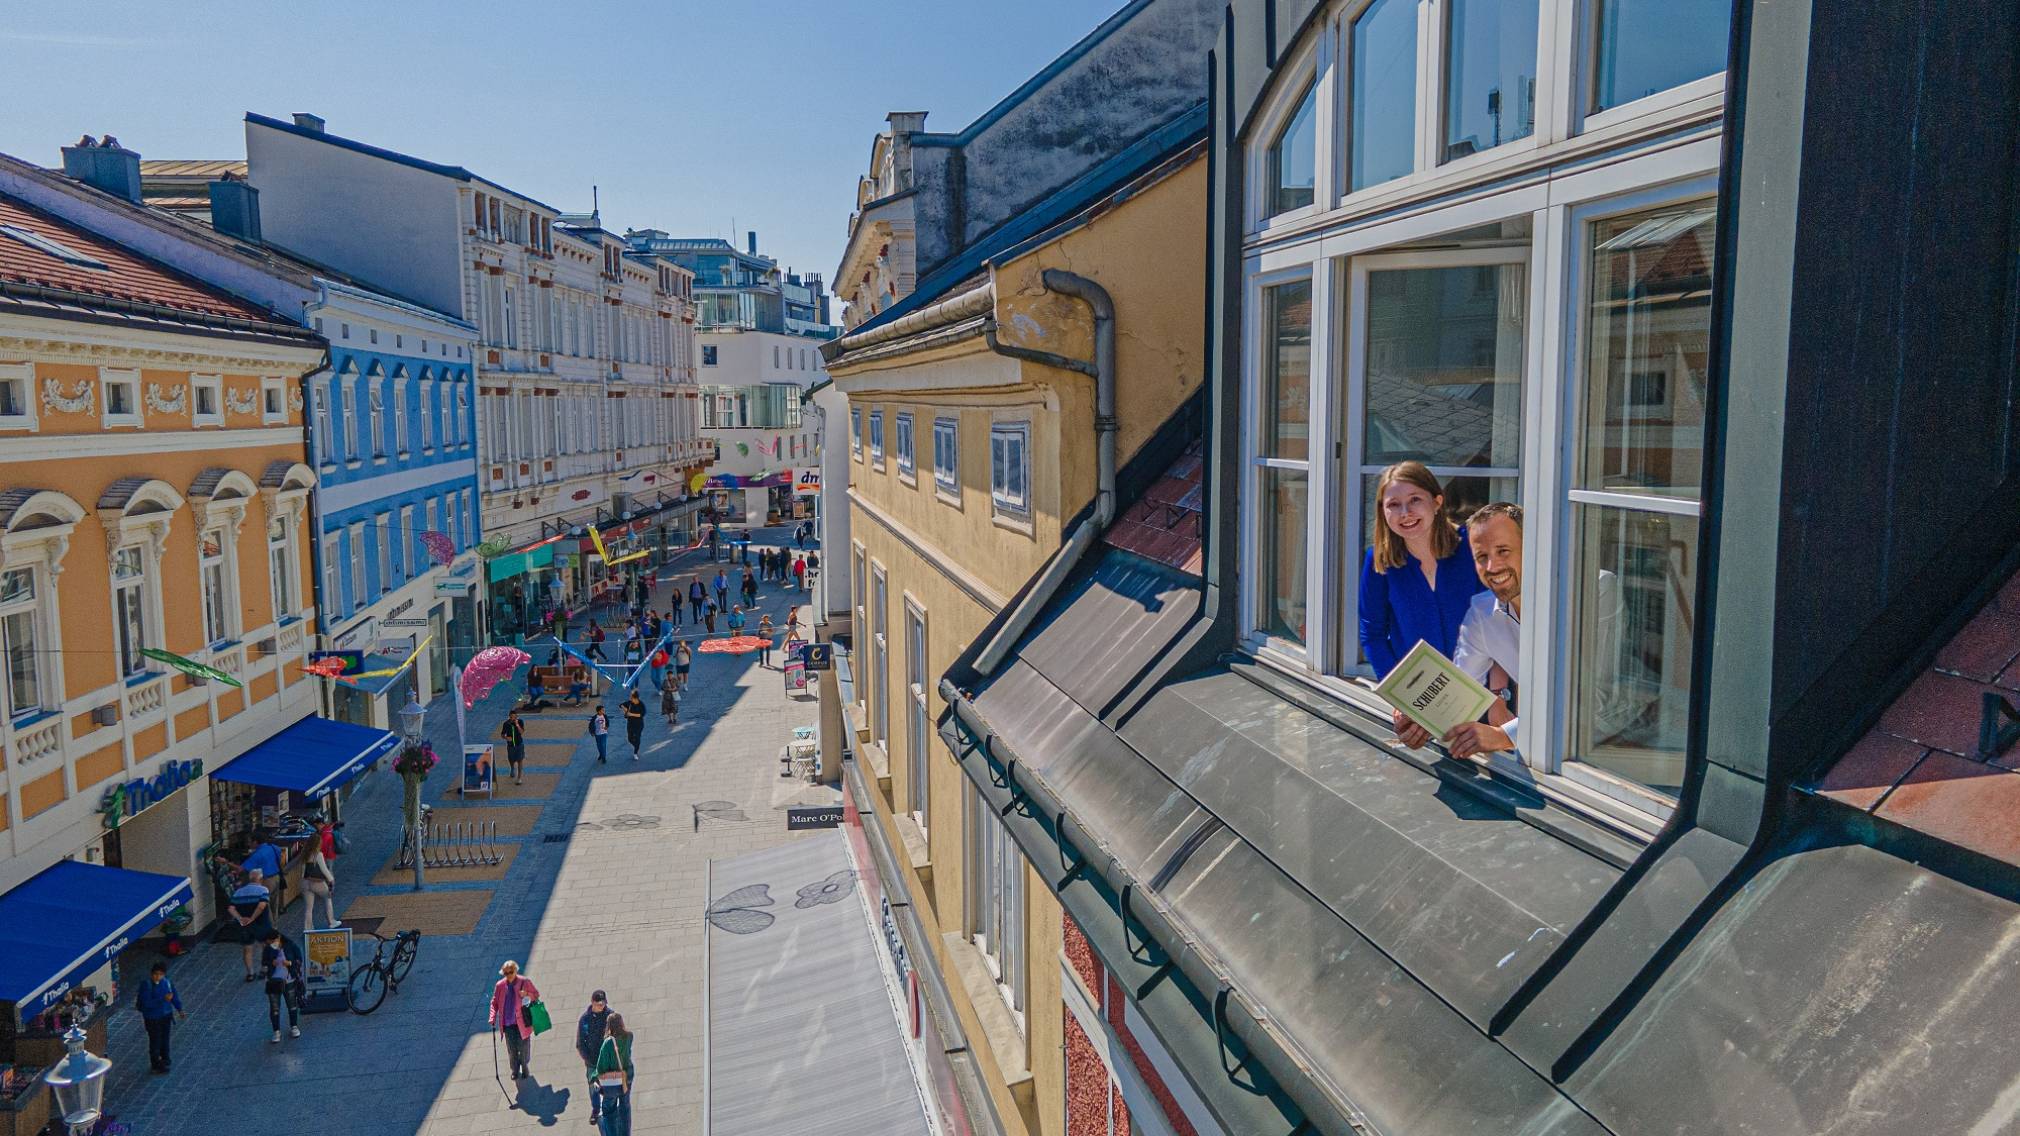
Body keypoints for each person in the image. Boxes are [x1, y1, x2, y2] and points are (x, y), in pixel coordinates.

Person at [1393, 502, 1522, 759]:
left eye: (1503, 551)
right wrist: (1424, 720)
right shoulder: (1482, 612)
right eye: (1481, 557)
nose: (1492, 567)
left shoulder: (1592, 594)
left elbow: (1594, 707)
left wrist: (1505, 736)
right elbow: (1459, 693)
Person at [1357, 462, 1485, 679]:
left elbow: (1499, 618)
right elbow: (1372, 634)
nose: (1405, 513)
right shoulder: (1379, 560)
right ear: (1383, 511)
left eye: (1415, 500)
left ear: (1437, 502)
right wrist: (1398, 693)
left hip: (1482, 687)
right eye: (1394, 504)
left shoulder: (1471, 547)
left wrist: (1498, 693)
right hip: (1420, 693)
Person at [489, 961, 541, 1080]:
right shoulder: (500, 985)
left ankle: (524, 1065)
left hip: (523, 1023)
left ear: (516, 970)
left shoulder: (524, 982)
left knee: (523, 1048)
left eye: (511, 972)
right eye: (506, 973)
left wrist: (527, 994)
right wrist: (492, 1017)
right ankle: (515, 1069)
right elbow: (494, 1003)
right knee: (512, 1050)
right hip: (508, 1024)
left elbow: (536, 995)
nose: (508, 975)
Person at [135, 961, 186, 1073]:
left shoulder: (167, 983)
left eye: (160, 974)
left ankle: (165, 1059)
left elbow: (174, 996)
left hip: (165, 1016)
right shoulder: (146, 986)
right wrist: (163, 999)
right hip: (152, 1018)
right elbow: (147, 1003)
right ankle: (156, 1064)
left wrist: (180, 1009)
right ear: (151, 974)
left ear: (164, 974)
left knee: (165, 1039)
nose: (157, 977)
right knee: (155, 1041)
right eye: (155, 974)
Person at [592, 1012, 635, 1136]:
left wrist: (594, 1077)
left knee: (609, 1110)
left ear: (609, 1025)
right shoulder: (629, 1036)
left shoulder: (608, 1043)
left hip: (612, 1082)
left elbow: (601, 1067)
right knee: (625, 1108)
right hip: (626, 1078)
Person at [229, 870, 273, 982]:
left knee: (247, 949)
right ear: (260, 879)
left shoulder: (238, 892)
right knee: (265, 946)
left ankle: (250, 973)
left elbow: (231, 908)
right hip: (262, 924)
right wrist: (252, 918)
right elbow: (262, 906)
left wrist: (240, 919)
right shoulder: (263, 890)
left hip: (245, 926)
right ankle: (264, 969)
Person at [577, 991, 614, 1124]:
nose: (602, 1006)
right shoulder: (585, 1019)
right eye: (599, 1004)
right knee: (594, 1088)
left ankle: (610, 1110)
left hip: (608, 1060)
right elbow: (580, 1043)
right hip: (592, 1062)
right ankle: (596, 1110)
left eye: (604, 1003)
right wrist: (588, 1058)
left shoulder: (610, 1016)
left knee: (610, 1086)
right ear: (592, 1002)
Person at [261, 929, 303, 1043]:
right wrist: (270, 964)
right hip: (273, 981)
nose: (271, 944)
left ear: (278, 938)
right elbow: (264, 964)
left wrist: (289, 963)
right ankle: (276, 1031)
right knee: (274, 1007)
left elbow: (299, 959)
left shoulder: (290, 945)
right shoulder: (268, 949)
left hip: (289, 980)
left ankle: (294, 1026)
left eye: (272, 941)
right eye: (269, 942)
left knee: (292, 1004)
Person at [301, 843, 337, 934]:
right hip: (317, 882)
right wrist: (331, 880)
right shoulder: (318, 854)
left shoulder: (304, 854)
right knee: (327, 898)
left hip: (305, 882)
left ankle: (308, 928)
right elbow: (324, 869)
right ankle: (331, 921)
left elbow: (300, 869)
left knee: (308, 907)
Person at [501, 708, 528, 786]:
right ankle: (512, 767)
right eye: (512, 717)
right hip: (511, 746)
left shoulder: (520, 722)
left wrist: (517, 725)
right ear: (509, 717)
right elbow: (502, 734)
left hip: (519, 744)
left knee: (520, 760)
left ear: (517, 716)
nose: (513, 718)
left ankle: (519, 778)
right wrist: (506, 738)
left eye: (515, 717)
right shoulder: (506, 724)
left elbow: (522, 732)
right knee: (511, 759)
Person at [622, 690, 647, 761]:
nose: (630, 698)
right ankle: (636, 746)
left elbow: (642, 714)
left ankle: (635, 752)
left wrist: (631, 714)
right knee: (629, 739)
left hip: (639, 725)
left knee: (637, 738)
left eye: (631, 697)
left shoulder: (641, 704)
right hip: (630, 724)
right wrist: (626, 710)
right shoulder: (630, 703)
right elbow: (621, 705)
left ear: (636, 698)